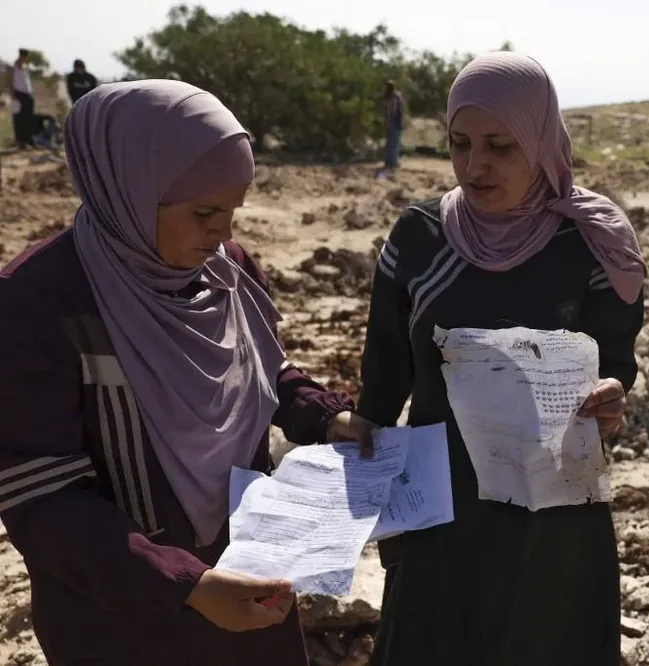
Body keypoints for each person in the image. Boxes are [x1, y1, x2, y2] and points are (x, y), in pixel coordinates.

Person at [0, 79, 377, 665]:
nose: (225, 234)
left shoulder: (225, 271)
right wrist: (187, 585)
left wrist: (329, 417)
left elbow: (263, 370)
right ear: (125, 189)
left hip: (251, 588)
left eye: (232, 212)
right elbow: (45, 500)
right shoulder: (41, 303)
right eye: (204, 212)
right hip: (125, 620)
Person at [357, 51, 646, 666]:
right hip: (443, 502)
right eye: (460, 143)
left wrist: (612, 394)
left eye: (500, 146)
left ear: (540, 141)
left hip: (552, 508)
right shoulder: (420, 237)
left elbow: (617, 360)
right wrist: (370, 463)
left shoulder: (591, 244)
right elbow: (383, 372)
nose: (474, 165)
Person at [8, 48, 35, 149]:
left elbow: (27, 81)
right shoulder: (13, 66)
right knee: (19, 118)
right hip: (18, 94)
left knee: (28, 118)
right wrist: (12, 94)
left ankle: (28, 140)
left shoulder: (26, 67)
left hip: (27, 94)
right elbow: (10, 80)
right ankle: (20, 141)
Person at [381, 80, 404, 171]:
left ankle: (388, 162)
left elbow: (385, 112)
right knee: (395, 143)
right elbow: (400, 110)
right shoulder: (397, 97)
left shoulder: (386, 97)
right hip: (395, 121)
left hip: (388, 122)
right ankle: (393, 162)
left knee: (390, 143)